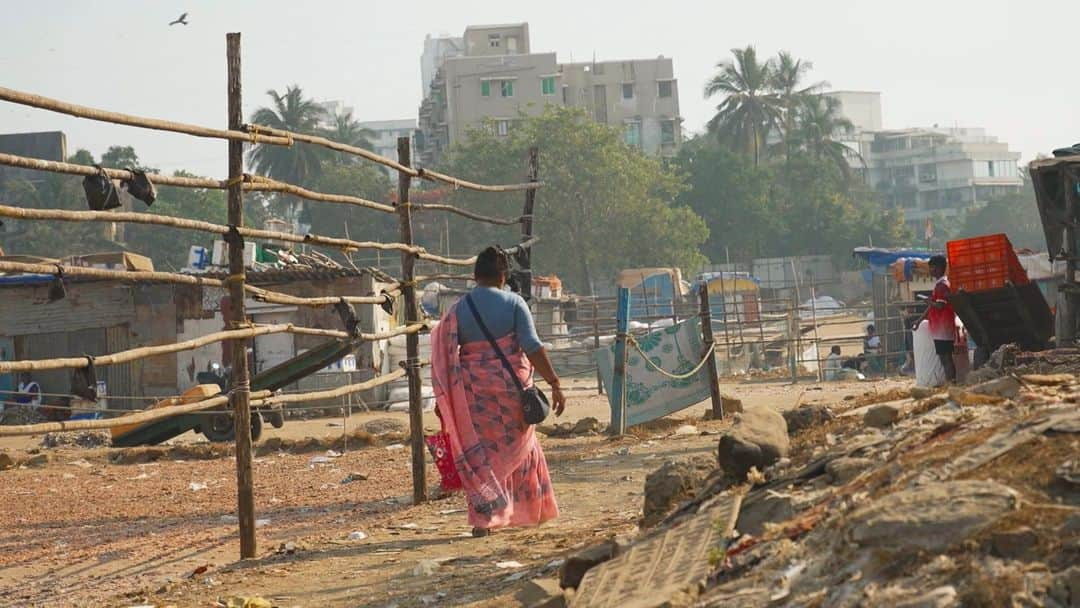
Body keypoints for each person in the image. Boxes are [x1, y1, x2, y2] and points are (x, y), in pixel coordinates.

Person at [430, 247, 564, 537]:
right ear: (503, 275)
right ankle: (529, 512)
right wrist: (553, 382)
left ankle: (484, 519)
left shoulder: (459, 309)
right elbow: (531, 345)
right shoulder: (514, 303)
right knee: (522, 449)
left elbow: (445, 355)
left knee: (483, 456)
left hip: (473, 395)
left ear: (475, 276)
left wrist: (444, 401)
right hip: (511, 391)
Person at [915, 255, 957, 383]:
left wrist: (928, 301)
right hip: (940, 328)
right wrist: (919, 320)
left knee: (946, 358)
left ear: (939, 268)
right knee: (944, 357)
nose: (930, 271)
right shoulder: (940, 284)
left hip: (943, 328)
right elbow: (934, 305)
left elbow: (940, 305)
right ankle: (951, 382)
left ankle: (952, 383)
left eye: (932, 268)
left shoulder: (942, 286)